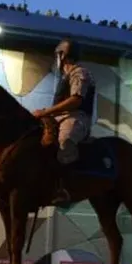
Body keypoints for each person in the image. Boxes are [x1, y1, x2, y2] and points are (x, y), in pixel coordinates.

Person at [33, 38, 97, 206]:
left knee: (64, 141)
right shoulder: (65, 77)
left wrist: (46, 111)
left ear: (63, 55)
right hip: (59, 117)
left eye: (57, 56)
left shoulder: (79, 73)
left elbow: (76, 100)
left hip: (77, 117)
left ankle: (65, 189)